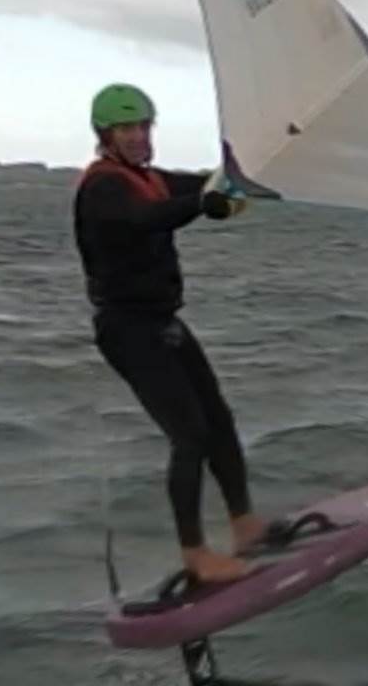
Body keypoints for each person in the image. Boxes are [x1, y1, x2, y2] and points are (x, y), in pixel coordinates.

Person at [73, 83, 266, 585]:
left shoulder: (149, 178)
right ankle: (196, 554)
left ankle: (245, 526)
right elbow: (146, 219)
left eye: (143, 126)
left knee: (218, 420)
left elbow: (205, 185)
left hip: (163, 323)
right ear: (106, 135)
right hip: (128, 330)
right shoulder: (104, 187)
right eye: (126, 128)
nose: (138, 136)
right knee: (190, 436)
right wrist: (204, 204)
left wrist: (244, 177)